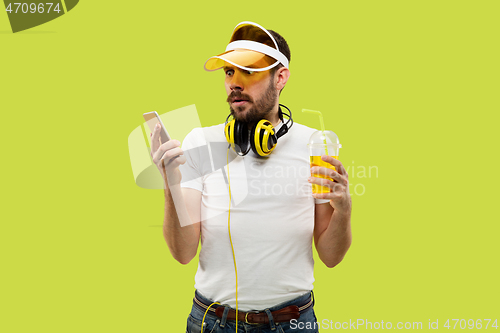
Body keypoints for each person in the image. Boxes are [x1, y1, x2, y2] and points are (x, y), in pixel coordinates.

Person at [149, 21, 352, 333]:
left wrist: (344, 210)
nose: (234, 83)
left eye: (248, 72)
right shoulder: (199, 142)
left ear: (280, 76)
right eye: (229, 73)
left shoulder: (316, 145)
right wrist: (170, 183)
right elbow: (183, 253)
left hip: (293, 322)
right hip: (212, 322)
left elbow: (331, 256)